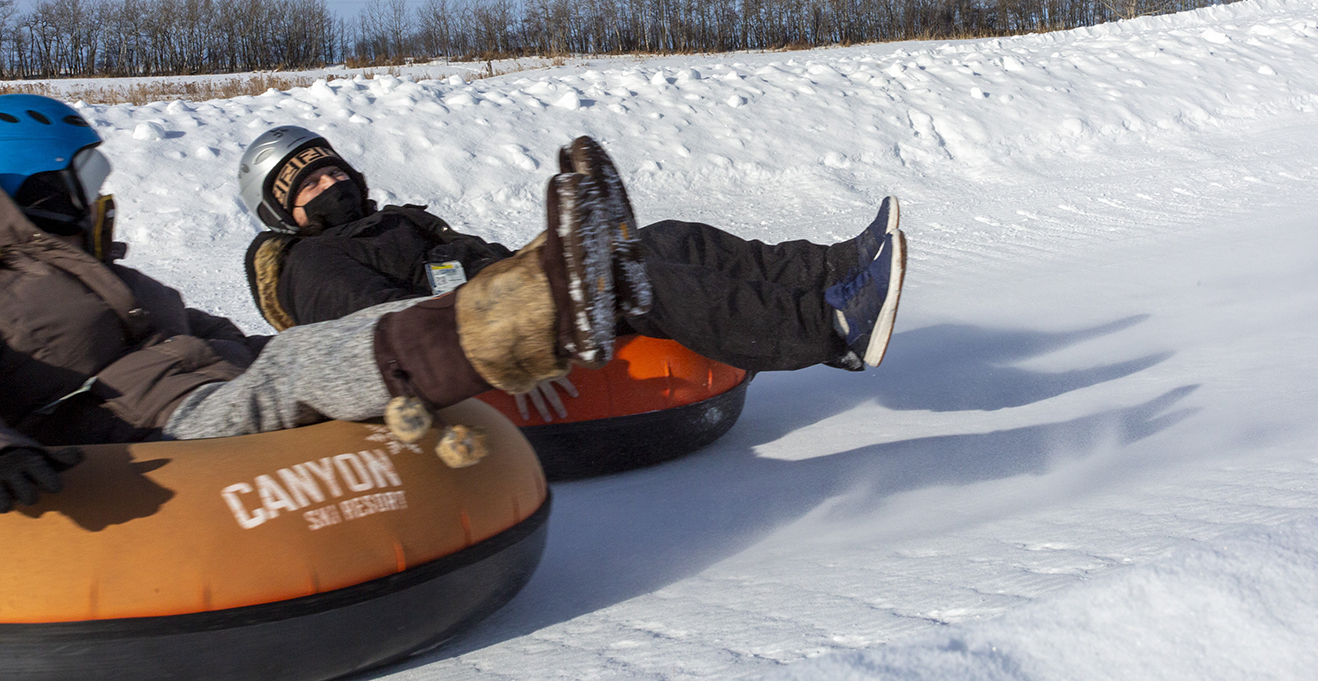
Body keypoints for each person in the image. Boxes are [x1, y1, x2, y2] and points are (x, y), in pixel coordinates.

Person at [0, 95, 627, 512]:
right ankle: (540, 307)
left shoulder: (107, 276)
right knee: (302, 363)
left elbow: (228, 338)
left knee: (322, 347)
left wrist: (347, 362)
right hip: (153, 441)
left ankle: (557, 273)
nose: (100, 200)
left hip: (220, 398)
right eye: (85, 182)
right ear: (33, 188)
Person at [239, 127, 908, 407]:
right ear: (282, 214)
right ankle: (833, 326)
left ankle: (832, 268)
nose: (326, 185)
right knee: (629, 280)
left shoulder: (397, 222)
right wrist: (502, 356)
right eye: (304, 186)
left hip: (509, 298)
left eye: (329, 168)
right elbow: (378, 335)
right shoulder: (311, 264)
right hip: (485, 342)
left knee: (664, 240)